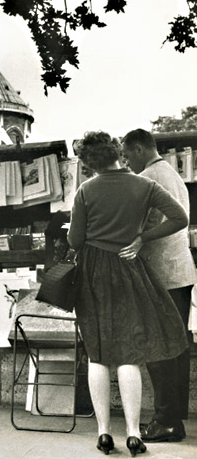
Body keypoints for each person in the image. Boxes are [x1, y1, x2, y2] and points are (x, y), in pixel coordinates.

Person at [68, 131, 189, 457]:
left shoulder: (85, 190)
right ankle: (135, 433)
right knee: (129, 353)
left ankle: (105, 432)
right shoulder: (144, 185)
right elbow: (181, 218)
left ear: (88, 162)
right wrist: (141, 238)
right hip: (129, 270)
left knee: (98, 353)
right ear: (116, 152)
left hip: (93, 273)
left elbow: (74, 240)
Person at [122, 128, 197, 443]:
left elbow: (150, 224)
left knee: (158, 347)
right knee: (176, 348)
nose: (126, 162)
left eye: (127, 155)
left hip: (160, 276)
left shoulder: (150, 177)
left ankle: (165, 421)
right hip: (180, 272)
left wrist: (137, 238)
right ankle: (174, 415)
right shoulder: (171, 172)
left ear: (139, 149)